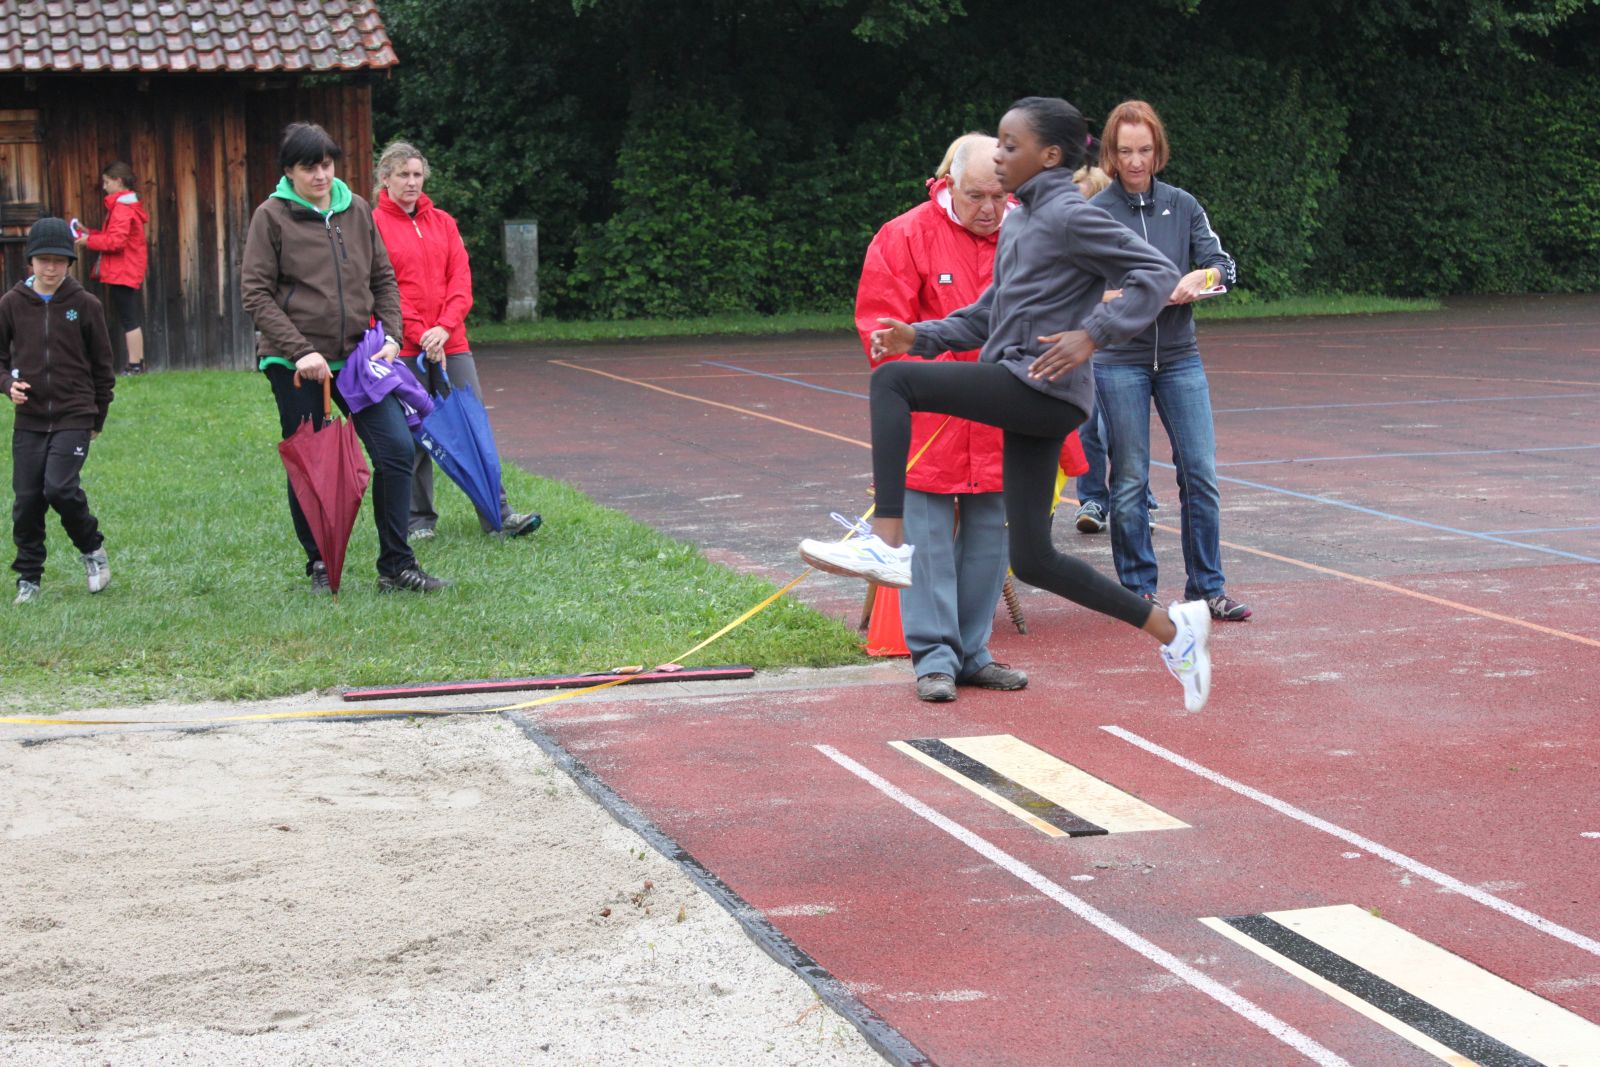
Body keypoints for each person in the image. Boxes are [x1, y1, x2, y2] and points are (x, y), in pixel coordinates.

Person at [800, 97, 1214, 713]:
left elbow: (1154, 272)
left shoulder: (1070, 216)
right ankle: (1173, 629)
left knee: (895, 384)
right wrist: (922, 336)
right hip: (1027, 391)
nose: (999, 155)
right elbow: (991, 313)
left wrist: (1092, 335)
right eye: (998, 144)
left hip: (1045, 390)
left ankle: (885, 542)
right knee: (1036, 560)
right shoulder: (1021, 223)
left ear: (1049, 156)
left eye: (1011, 146)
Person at [241, 122, 448, 594]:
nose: (320, 175)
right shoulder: (271, 217)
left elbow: (383, 279)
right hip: (296, 365)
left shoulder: (355, 209)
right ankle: (320, 563)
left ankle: (396, 566)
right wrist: (300, 351)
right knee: (312, 464)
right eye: (308, 167)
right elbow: (256, 294)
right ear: (288, 171)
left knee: (396, 450)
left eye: (326, 165)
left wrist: (391, 335)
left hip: (359, 360)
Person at [855, 132, 1024, 703]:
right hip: (930, 423)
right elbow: (883, 331)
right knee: (925, 546)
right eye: (977, 196)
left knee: (988, 543)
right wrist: (943, 384)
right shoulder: (904, 235)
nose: (990, 209)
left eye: (1000, 196)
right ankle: (932, 659)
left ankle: (973, 653)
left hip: (1002, 418)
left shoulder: (1027, 235)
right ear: (949, 184)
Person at [1089, 100, 1250, 621]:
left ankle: (1208, 588)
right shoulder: (1094, 213)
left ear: (1158, 150)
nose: (1136, 161)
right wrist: (1127, 297)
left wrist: (1201, 278)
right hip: (1119, 360)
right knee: (1130, 479)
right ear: (1111, 154)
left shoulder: (1182, 205)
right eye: (1125, 151)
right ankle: (1138, 592)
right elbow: (1073, 288)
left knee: (1200, 473)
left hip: (1180, 357)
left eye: (1145, 150)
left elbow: (1223, 265)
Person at [371, 141, 542, 542]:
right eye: (403, 174)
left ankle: (498, 514)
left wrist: (445, 328)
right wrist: (421, 334)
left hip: (452, 342)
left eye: (417, 174)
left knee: (472, 426)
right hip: (404, 348)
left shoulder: (444, 222)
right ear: (385, 178)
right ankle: (418, 522)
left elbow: (461, 280)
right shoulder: (372, 225)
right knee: (414, 433)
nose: (412, 182)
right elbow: (383, 289)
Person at [0, 218, 116, 603]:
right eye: (43, 260)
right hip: (30, 419)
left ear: (69, 262)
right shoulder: (11, 304)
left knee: (60, 488)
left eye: (59, 261)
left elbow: (103, 367)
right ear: (30, 261)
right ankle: (28, 578)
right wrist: (7, 384)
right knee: (27, 500)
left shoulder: (85, 305)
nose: (51, 268)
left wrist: (98, 417)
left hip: (74, 413)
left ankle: (92, 550)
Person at [75, 162, 149, 375]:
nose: (104, 186)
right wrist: (89, 233)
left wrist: (88, 241)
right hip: (125, 268)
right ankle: (137, 363)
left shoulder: (121, 208)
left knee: (129, 317)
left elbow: (116, 242)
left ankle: (135, 366)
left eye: (107, 182)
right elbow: (112, 236)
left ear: (119, 181)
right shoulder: (124, 206)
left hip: (122, 270)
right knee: (129, 316)